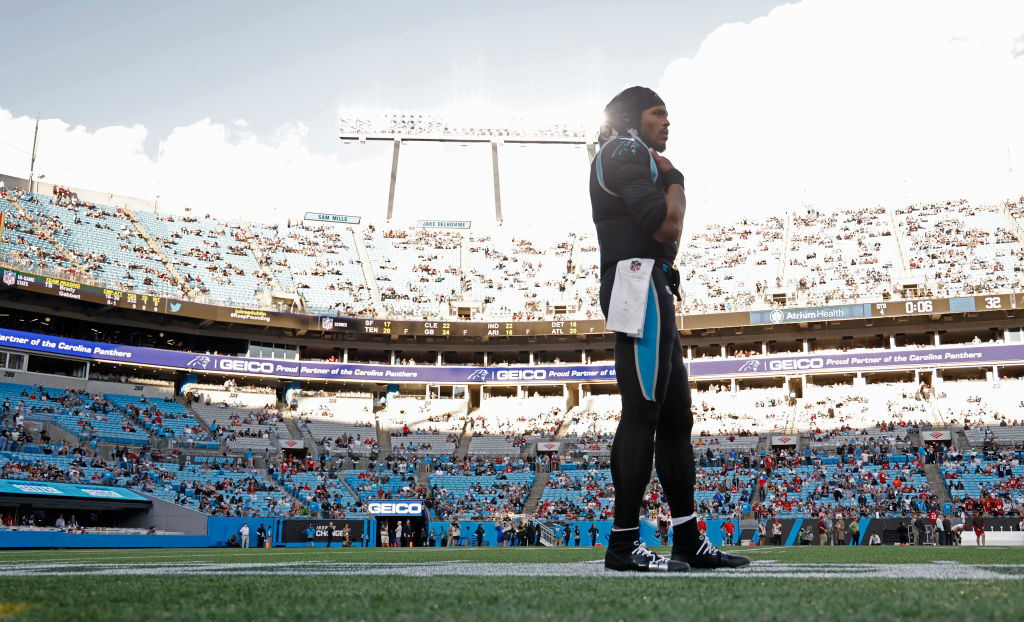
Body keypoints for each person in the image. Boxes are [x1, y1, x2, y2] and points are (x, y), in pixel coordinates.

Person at [593, 87, 747, 572]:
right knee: (642, 412)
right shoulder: (626, 150)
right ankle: (623, 543)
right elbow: (665, 226)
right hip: (636, 282)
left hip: (652, 284)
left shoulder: (633, 152)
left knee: (677, 418)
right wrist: (675, 178)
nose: (667, 122)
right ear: (631, 118)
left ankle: (687, 539)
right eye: (658, 113)